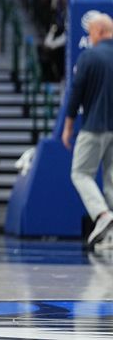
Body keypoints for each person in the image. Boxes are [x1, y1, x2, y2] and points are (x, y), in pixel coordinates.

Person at [62, 13, 113, 247]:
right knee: (112, 180)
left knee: (80, 173)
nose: (90, 37)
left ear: (100, 31)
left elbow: (76, 94)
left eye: (91, 32)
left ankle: (102, 215)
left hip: (94, 126)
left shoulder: (89, 57)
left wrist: (68, 125)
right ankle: (111, 236)